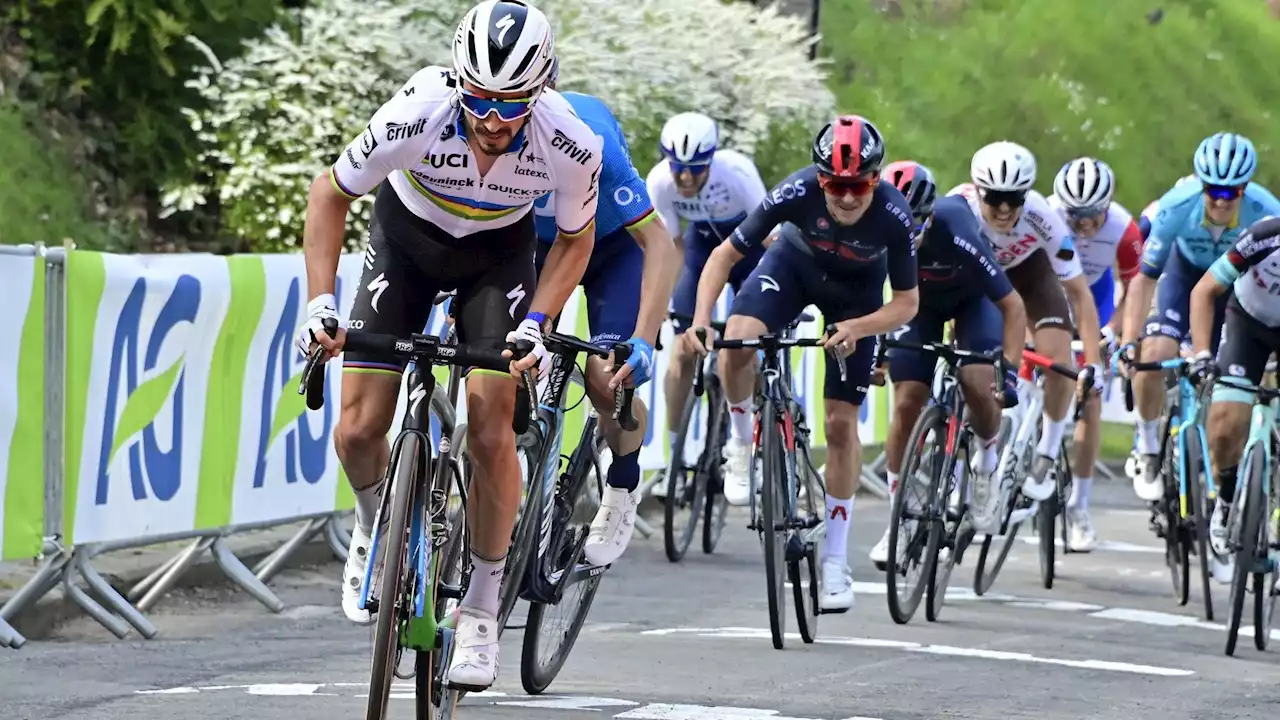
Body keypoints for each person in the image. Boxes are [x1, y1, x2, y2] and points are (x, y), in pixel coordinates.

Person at [293, 0, 602, 692]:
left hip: (498, 260)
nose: (493, 121)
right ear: (460, 82)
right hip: (405, 245)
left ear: (542, 89)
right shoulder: (417, 110)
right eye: (481, 100)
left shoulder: (571, 141)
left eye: (512, 103)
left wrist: (538, 323)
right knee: (356, 430)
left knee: (493, 430)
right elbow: (329, 194)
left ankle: (484, 607)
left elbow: (576, 239)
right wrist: (319, 303)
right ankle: (378, 527)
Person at [681, 115, 919, 611]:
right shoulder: (795, 192)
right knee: (740, 338)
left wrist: (860, 327)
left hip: (857, 296)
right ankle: (742, 444)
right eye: (835, 185)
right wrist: (702, 319)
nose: (848, 197)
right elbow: (723, 256)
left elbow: (906, 304)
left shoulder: (895, 216)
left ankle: (835, 560)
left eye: (860, 185)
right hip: (792, 269)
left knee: (840, 422)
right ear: (819, 177)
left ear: (876, 179)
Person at [530, 60, 679, 565]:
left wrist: (642, 337)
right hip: (535, 245)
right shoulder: (489, 133)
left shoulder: (589, 137)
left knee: (607, 375)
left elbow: (658, 243)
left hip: (611, 247)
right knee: (505, 360)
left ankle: (622, 483)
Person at [867, 161, 1026, 567]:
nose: (908, 238)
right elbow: (867, 296)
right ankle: (899, 520)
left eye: (916, 227)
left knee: (977, 380)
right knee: (906, 403)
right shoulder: (874, 230)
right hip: (916, 309)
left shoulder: (957, 228)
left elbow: (1012, 305)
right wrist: (876, 351)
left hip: (974, 303)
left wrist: (1007, 371)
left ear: (930, 215)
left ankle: (987, 460)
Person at [1117, 133, 1280, 504]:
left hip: (1235, 288)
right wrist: (1129, 342)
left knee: (1226, 381)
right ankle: (1146, 445)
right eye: (1213, 191)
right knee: (1155, 350)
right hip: (1184, 273)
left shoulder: (1266, 211)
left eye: (1231, 193)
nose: (1221, 201)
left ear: (1245, 188)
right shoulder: (1177, 206)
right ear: (1200, 185)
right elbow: (1144, 280)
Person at [949, 142, 1106, 510]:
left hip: (1029, 275)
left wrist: (1094, 363)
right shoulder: (959, 207)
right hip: (978, 280)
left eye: (1014, 199)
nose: (1004, 209)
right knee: (971, 370)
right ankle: (959, 467)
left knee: (1058, 357)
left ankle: (1047, 453)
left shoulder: (1041, 216)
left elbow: (1080, 294)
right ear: (978, 190)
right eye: (996, 198)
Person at [647, 113, 774, 494]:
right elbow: (669, 250)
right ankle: (677, 461)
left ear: (712, 160)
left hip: (750, 252)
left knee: (745, 344)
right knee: (683, 349)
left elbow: (770, 240)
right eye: (678, 169)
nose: (685, 178)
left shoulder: (737, 173)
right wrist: (659, 307)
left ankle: (757, 438)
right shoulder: (659, 182)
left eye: (695, 169)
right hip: (701, 251)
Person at [1046, 157, 1144, 550]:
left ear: (1107, 207)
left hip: (1096, 305)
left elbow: (1136, 289)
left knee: (1091, 401)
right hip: (1049, 297)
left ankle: (1079, 508)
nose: (1084, 225)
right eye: (1075, 216)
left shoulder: (1123, 228)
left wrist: (1112, 330)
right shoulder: (1046, 214)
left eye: (1092, 216)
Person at [1188, 216, 1280, 582]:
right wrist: (1200, 355)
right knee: (1226, 423)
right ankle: (1225, 500)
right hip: (1249, 324)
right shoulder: (1264, 236)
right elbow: (1204, 290)